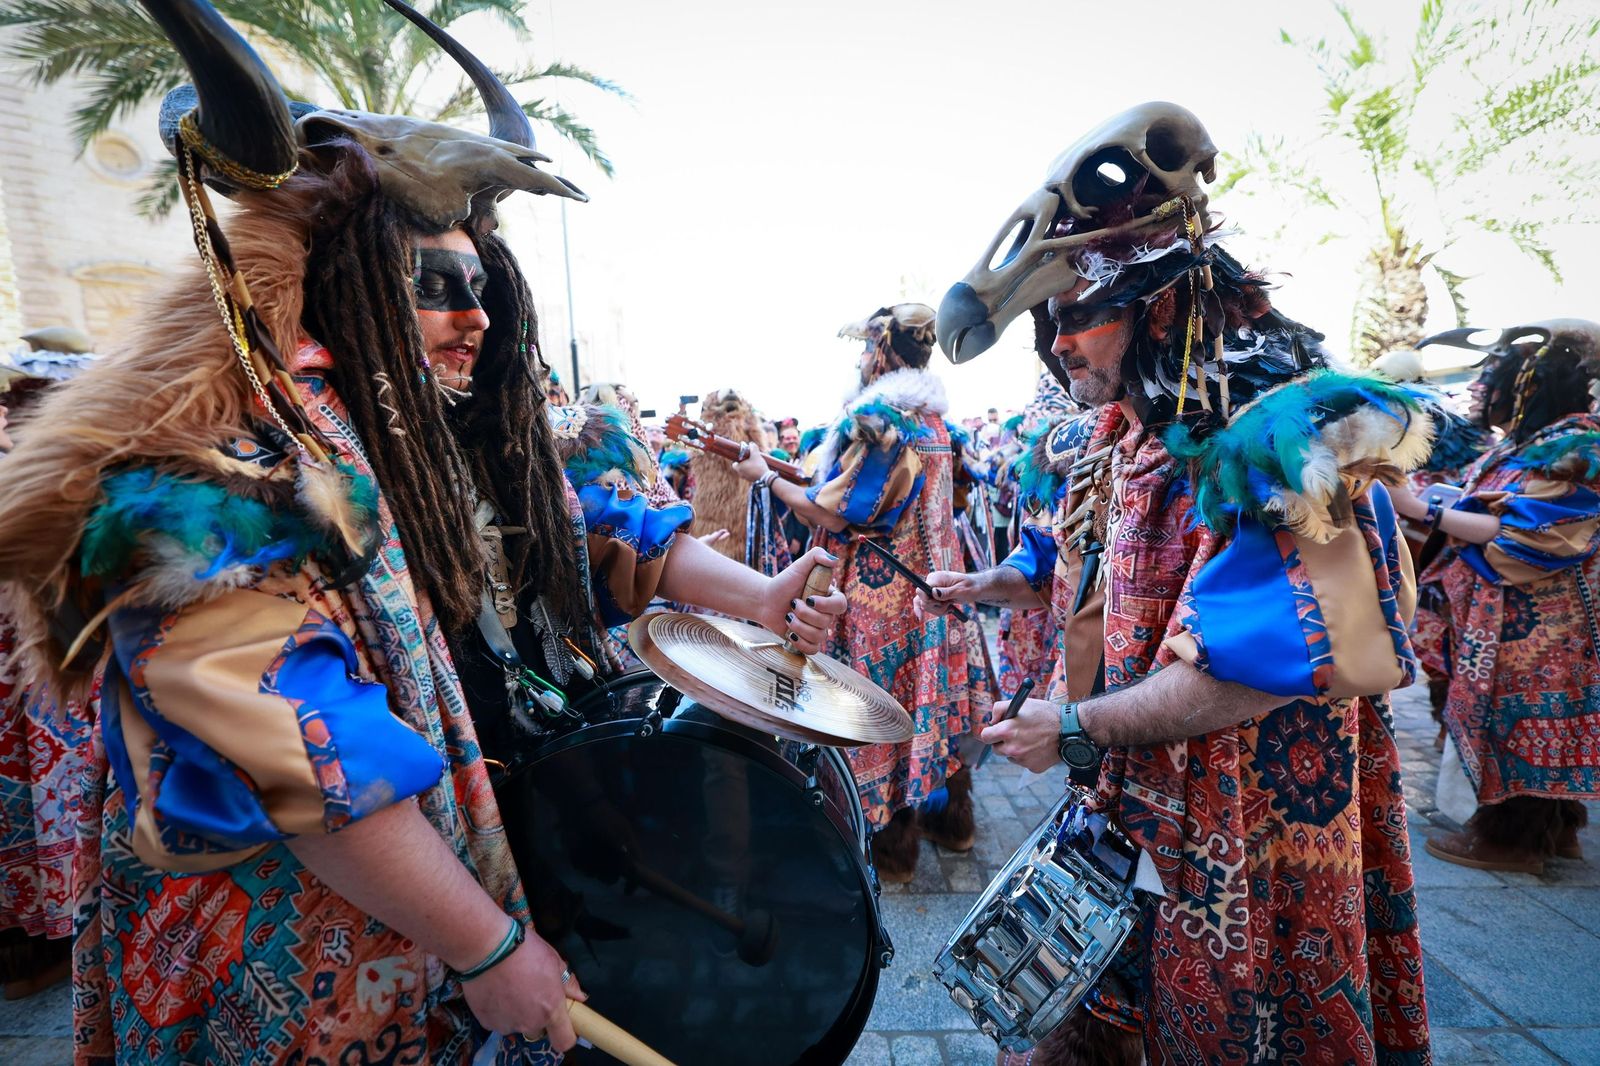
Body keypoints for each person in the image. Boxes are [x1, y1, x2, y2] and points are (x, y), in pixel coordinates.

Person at [0, 3, 841, 1061]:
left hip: (456, 919)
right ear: (343, 289)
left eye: (481, 288)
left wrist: (758, 599)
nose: (474, 317)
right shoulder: (208, 481)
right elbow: (310, 761)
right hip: (302, 968)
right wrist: (486, 947)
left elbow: (595, 535)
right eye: (435, 288)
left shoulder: (456, 435)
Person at [922, 102, 1432, 1063]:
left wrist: (1076, 727)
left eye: (1077, 316)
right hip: (1136, 826)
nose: (1057, 345)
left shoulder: (1292, 443)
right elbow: (1087, 576)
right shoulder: (1129, 430)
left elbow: (1297, 661)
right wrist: (988, 582)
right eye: (1047, 320)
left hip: (1251, 848)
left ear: (1161, 304)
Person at [732, 304, 995, 881]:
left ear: (882, 351)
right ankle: (953, 823)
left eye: (864, 348)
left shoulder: (883, 419)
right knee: (937, 711)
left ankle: (894, 850)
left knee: (877, 716)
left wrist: (765, 479)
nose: (858, 359)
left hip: (884, 604)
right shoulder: (933, 422)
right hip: (938, 593)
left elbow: (836, 509)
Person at [1398, 319, 1600, 873]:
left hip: (1542, 627)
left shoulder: (1578, 446)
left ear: (1530, 386)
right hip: (1521, 621)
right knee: (1541, 722)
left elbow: (1530, 534)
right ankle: (1557, 831)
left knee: (1528, 722)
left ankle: (1511, 841)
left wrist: (1421, 511)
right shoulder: (1548, 440)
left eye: (1497, 378)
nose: (1481, 390)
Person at [0, 349, 97, 1000]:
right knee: (35, 808)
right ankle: (35, 949)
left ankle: (33, 950)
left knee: (35, 810)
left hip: (34, 688)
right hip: (32, 694)